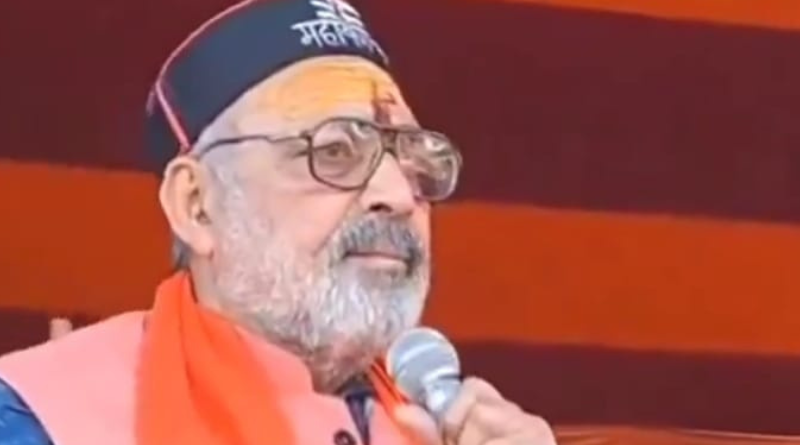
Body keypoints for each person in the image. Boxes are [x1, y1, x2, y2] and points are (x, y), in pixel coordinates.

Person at [0, 1, 557, 444]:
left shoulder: (446, 427)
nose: (397, 195)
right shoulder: (42, 416)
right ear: (197, 205)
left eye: (414, 159)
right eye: (334, 151)